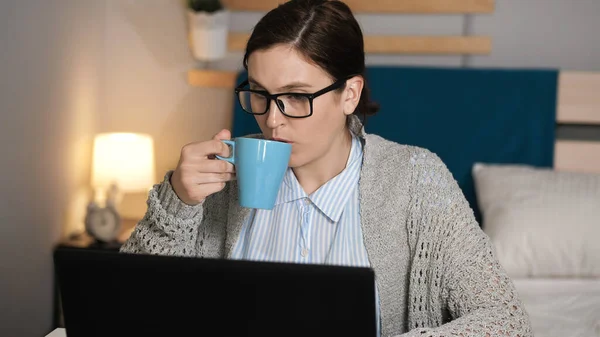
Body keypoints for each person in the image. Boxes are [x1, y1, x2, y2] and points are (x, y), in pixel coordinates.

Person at [120, 0, 532, 336]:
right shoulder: (221, 178)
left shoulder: (416, 180)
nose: (273, 120)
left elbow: (506, 321)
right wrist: (177, 202)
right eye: (260, 94)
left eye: (297, 96)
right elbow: (125, 305)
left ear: (349, 94)